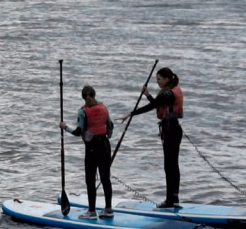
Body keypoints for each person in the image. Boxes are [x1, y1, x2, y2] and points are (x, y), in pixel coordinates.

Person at [119, 67, 183, 208]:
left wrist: (130, 113)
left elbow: (152, 106)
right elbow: (158, 105)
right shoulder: (172, 91)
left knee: (170, 165)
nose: (158, 82)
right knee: (172, 165)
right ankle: (174, 198)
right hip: (172, 129)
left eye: (159, 79)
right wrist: (147, 94)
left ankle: (170, 200)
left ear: (166, 79)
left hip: (171, 131)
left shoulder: (167, 94)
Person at [60, 84, 115, 220]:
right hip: (105, 145)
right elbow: (110, 126)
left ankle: (91, 212)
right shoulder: (103, 108)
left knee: (90, 180)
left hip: (92, 148)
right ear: (94, 95)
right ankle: (108, 209)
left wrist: (65, 127)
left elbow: (78, 131)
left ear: (83, 97)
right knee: (105, 178)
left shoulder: (83, 112)